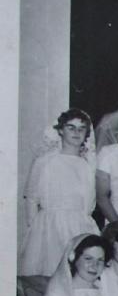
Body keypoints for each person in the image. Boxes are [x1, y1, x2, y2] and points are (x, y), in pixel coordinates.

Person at [19, 109, 100, 277]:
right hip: (49, 226)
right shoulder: (45, 162)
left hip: (78, 224)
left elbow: (89, 201)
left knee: (77, 272)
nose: (76, 133)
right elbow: (32, 198)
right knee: (48, 273)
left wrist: (83, 221)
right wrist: (36, 227)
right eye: (71, 127)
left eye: (81, 128)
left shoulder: (88, 165)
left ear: (87, 133)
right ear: (61, 130)